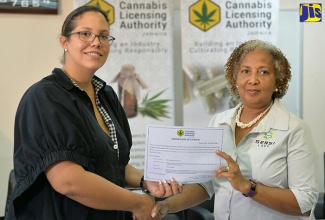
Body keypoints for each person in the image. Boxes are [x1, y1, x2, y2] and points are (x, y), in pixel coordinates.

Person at [6, 5, 182, 220]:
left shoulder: (106, 95)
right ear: (65, 42)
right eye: (85, 34)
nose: (96, 42)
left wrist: (145, 180)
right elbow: (68, 181)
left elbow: (112, 164)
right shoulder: (45, 97)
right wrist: (137, 203)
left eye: (104, 36)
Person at [150, 39, 319, 220]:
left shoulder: (294, 129)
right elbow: (207, 185)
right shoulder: (219, 122)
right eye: (245, 71)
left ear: (278, 80)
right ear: (235, 78)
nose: (253, 80)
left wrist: (248, 187)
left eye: (263, 72)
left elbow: (305, 202)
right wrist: (167, 206)